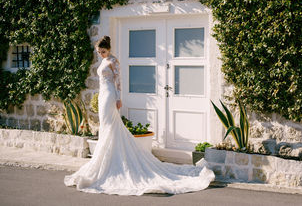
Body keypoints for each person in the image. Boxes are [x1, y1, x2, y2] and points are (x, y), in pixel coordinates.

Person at [64, 36, 215, 195]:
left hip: (109, 95)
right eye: (99, 52)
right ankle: (106, 157)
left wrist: (118, 98)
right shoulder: (103, 60)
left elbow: (118, 81)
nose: (101, 54)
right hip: (102, 95)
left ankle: (110, 158)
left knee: (109, 124)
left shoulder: (113, 61)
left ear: (109, 49)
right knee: (106, 126)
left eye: (103, 51)